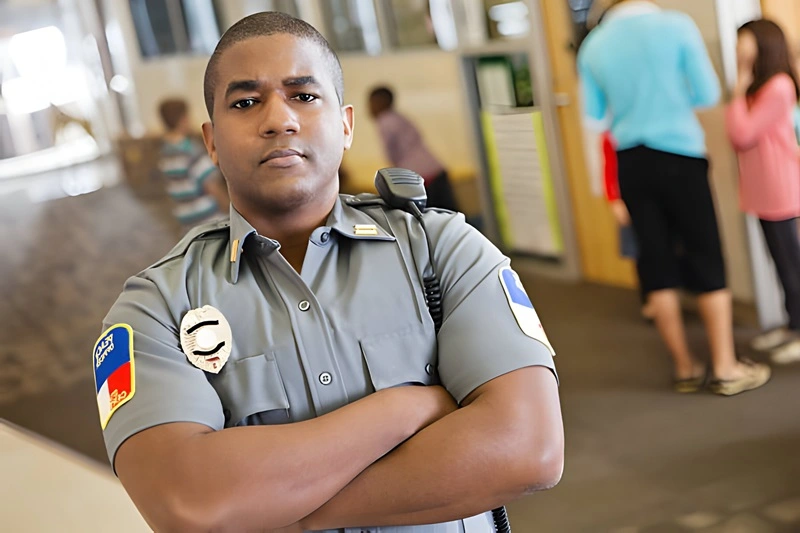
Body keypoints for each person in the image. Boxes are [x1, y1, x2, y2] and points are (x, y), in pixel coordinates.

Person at [92, 12, 563, 532]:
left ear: (345, 125)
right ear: (211, 141)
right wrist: (406, 408)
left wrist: (281, 511)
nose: (278, 120)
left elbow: (530, 448)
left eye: (304, 95)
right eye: (245, 102)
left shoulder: (440, 248)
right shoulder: (154, 307)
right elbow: (186, 504)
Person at [577, 0, 770, 395]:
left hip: (630, 160)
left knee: (655, 261)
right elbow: (706, 93)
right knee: (706, 254)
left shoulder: (593, 45)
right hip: (680, 155)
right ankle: (725, 367)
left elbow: (595, 116)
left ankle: (684, 368)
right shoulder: (676, 26)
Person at [725, 19, 800, 364]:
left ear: (764, 44)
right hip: (762, 188)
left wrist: (738, 86)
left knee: (792, 265)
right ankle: (791, 325)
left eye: (746, 41)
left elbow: (742, 135)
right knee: (781, 263)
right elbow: (737, 135)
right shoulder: (759, 87)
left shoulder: (779, 86)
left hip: (781, 187)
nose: (741, 47)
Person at [368, 86, 459, 212]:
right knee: (449, 216)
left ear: (381, 102)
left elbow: (391, 154)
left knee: (431, 219)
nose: (369, 107)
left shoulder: (384, 121)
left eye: (371, 102)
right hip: (434, 170)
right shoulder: (400, 117)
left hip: (423, 178)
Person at [157, 97, 229, 229]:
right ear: (182, 119)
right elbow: (211, 185)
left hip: (185, 217)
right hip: (208, 217)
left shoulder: (164, 152)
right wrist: (229, 209)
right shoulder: (191, 151)